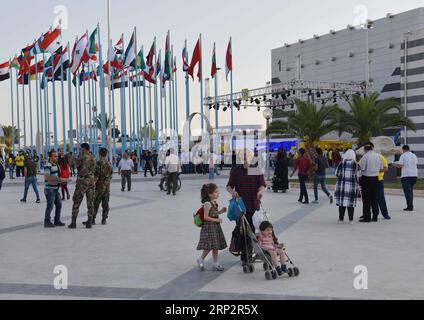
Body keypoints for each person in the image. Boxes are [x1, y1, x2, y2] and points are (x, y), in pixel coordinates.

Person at [227, 150, 266, 266]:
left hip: (254, 205)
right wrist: (232, 192)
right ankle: (245, 257)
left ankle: (251, 254)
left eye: (247, 158)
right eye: (243, 158)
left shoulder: (257, 170)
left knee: (253, 232)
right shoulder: (236, 171)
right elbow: (229, 186)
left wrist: (260, 192)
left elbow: (262, 185)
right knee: (243, 232)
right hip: (241, 207)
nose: (245, 161)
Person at [196, 183, 228, 272]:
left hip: (215, 228)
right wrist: (216, 220)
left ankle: (215, 263)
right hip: (209, 228)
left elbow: (213, 214)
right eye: (216, 192)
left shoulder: (214, 203)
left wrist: (221, 211)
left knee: (215, 246)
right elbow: (206, 217)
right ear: (210, 194)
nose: (218, 194)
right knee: (209, 246)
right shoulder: (207, 204)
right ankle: (201, 259)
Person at [69, 143, 97, 229]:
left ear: (84, 148)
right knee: (90, 202)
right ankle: (89, 222)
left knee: (76, 201)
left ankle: (73, 223)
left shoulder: (82, 156)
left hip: (82, 182)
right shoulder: (93, 157)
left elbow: (73, 165)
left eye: (81, 148)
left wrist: (71, 158)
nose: (80, 150)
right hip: (91, 181)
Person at [84, 148, 113, 226]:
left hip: (99, 187)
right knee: (105, 204)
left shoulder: (98, 163)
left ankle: (92, 219)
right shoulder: (109, 163)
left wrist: (91, 185)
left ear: (100, 153)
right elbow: (110, 176)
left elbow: (96, 176)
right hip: (107, 187)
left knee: (95, 203)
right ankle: (104, 219)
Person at [358, 143, 383, 223]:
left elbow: (362, 168)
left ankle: (367, 217)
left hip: (366, 179)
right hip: (376, 179)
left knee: (366, 199)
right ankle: (375, 216)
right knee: (374, 198)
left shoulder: (365, 157)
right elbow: (381, 168)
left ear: (365, 150)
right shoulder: (378, 156)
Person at [335, 149, 359, 224]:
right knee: (350, 203)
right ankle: (351, 220)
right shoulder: (356, 164)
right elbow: (359, 175)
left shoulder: (341, 163)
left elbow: (337, 174)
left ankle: (341, 219)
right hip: (352, 186)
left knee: (342, 203)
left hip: (342, 186)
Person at [43, 150, 66, 228]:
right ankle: (47, 221)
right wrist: (60, 180)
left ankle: (57, 220)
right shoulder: (48, 165)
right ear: (50, 157)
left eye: (57, 156)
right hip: (49, 189)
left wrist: (61, 180)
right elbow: (47, 177)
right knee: (50, 206)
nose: (57, 158)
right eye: (55, 156)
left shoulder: (56, 165)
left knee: (59, 204)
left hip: (55, 189)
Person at [393, 145, 418, 212]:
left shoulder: (403, 156)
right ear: (409, 149)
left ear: (403, 149)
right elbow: (415, 163)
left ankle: (409, 207)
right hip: (414, 175)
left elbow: (400, 165)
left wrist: (394, 165)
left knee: (407, 192)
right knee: (410, 191)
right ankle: (410, 205)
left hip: (406, 176)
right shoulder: (414, 155)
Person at [377, 153, 391, 220]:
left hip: (379, 180)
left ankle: (385, 214)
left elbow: (386, 168)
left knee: (381, 197)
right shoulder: (365, 157)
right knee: (368, 198)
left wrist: (377, 170)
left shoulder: (380, 157)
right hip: (369, 179)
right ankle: (367, 214)